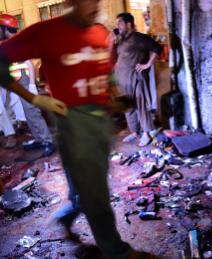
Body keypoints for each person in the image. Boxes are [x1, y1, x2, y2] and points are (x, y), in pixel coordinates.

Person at [0, 1, 153, 258]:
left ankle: (66, 215)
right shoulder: (46, 32)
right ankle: (116, 251)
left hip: (100, 122)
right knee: (97, 193)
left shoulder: (99, 32)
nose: (95, 5)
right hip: (74, 123)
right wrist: (33, 98)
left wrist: (113, 95)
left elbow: (105, 72)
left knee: (85, 186)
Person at [0, 14, 55, 156]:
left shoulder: (17, 42)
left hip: (24, 79)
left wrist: (31, 85)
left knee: (32, 111)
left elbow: (29, 63)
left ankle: (47, 141)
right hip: (14, 81)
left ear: (4, 28)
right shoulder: (6, 42)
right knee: (25, 112)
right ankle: (39, 139)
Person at [113, 12, 162, 147]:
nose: (117, 26)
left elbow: (157, 49)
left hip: (135, 78)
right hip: (122, 78)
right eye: (116, 23)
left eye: (120, 23)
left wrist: (147, 65)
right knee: (128, 106)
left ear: (129, 24)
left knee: (140, 105)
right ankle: (134, 131)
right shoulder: (120, 39)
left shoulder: (140, 38)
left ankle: (147, 133)